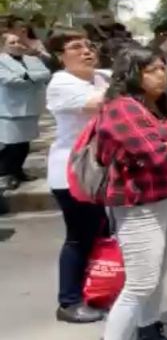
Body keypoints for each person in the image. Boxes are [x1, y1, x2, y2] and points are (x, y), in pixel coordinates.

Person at [98, 47, 167, 340]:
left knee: (158, 274)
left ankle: (149, 329)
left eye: (162, 68)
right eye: (152, 70)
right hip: (140, 205)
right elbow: (157, 156)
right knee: (140, 284)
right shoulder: (121, 107)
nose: (162, 74)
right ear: (133, 74)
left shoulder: (164, 105)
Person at [45, 30, 110, 324]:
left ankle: (97, 288)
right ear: (61, 57)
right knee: (80, 238)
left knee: (101, 233)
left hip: (98, 171)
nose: (86, 51)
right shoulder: (61, 83)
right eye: (76, 47)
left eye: (88, 46)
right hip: (71, 173)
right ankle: (68, 302)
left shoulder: (101, 77)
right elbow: (101, 104)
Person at [0, 32, 51, 189]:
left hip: (30, 105)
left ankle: (18, 170)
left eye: (18, 42)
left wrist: (25, 76)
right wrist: (32, 78)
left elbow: (46, 74)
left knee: (24, 143)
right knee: (11, 144)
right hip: (10, 108)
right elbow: (9, 80)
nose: (16, 45)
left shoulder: (32, 59)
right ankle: (8, 173)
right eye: (12, 43)